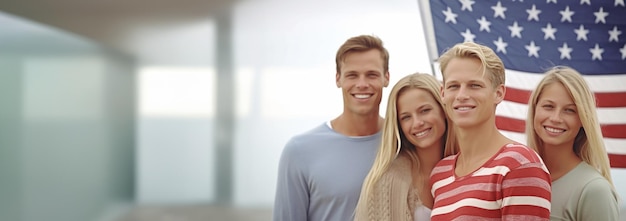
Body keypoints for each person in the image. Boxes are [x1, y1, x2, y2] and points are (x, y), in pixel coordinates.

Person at [429, 42, 551, 220]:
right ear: (443, 93)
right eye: (453, 86)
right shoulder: (440, 173)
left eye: (474, 85)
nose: (462, 95)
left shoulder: (519, 165)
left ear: (499, 93)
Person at [273, 35, 390, 221]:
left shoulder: (402, 142)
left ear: (386, 78)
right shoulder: (299, 150)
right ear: (338, 79)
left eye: (371, 74)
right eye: (352, 75)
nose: (362, 84)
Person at [354, 73, 457, 221]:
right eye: (406, 117)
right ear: (399, 125)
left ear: (444, 110)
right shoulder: (385, 182)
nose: (417, 123)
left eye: (424, 110)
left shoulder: (470, 166)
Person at [526, 66, 620, 220]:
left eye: (569, 110)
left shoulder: (594, 190)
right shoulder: (518, 178)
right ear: (535, 110)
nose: (556, 118)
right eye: (548, 106)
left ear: (583, 119)